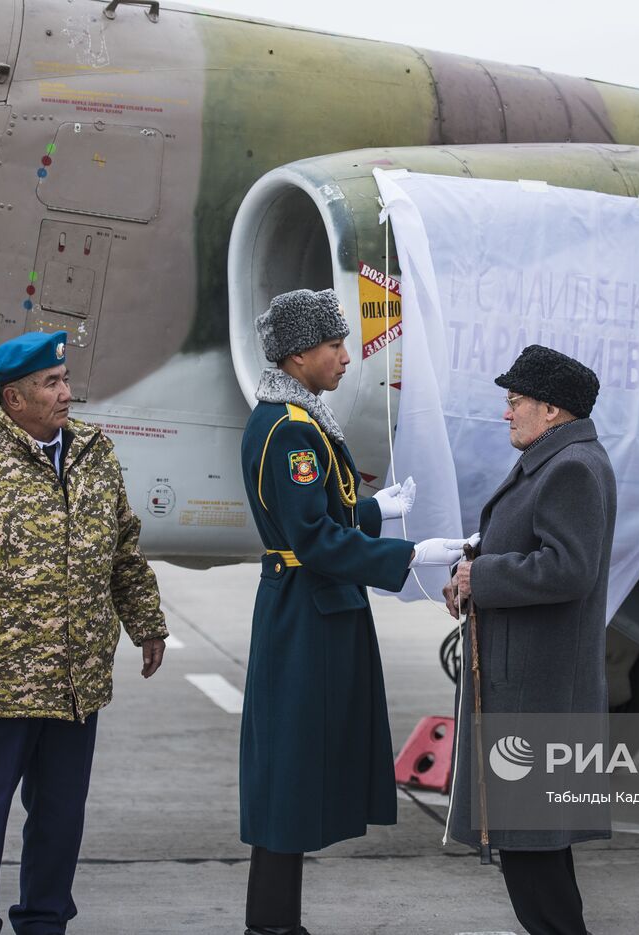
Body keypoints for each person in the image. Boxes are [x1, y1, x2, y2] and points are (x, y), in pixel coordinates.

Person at [0, 330, 168, 935]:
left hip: (76, 683)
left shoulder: (93, 454)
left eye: (65, 379)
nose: (66, 393)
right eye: (51, 384)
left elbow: (123, 549)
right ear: (12, 399)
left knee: (59, 813)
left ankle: (45, 921)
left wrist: (147, 622)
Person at [239, 288, 467, 935]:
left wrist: (373, 510)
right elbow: (312, 540)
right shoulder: (291, 432)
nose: (346, 356)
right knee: (288, 775)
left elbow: (317, 518)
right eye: (335, 345)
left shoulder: (296, 418)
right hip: (307, 614)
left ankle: (277, 921)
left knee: (296, 771)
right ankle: (272, 926)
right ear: (298, 353)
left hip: (312, 608)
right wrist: (407, 552)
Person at [442, 344, 617, 935]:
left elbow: (570, 568)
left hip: (538, 694)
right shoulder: (554, 459)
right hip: (529, 684)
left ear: (551, 409)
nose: (506, 412)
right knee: (531, 852)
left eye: (515, 401)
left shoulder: (571, 468)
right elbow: (529, 546)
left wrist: (484, 576)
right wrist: (472, 571)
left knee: (535, 855)